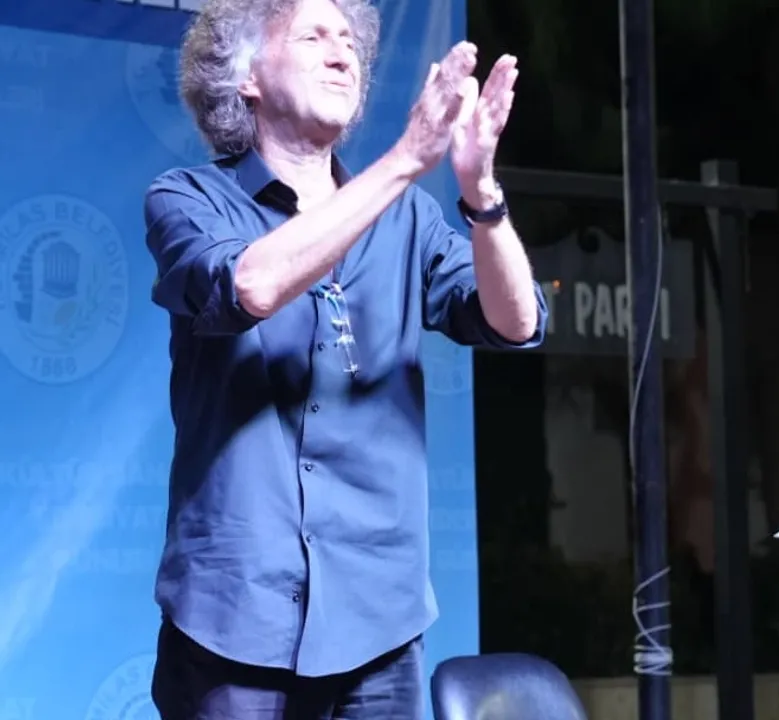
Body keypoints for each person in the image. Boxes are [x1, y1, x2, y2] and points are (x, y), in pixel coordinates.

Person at [143, 0, 546, 716]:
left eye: (349, 43)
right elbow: (250, 286)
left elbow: (516, 322)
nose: (341, 54)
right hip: (234, 615)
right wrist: (405, 160)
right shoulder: (188, 198)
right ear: (247, 77)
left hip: (378, 619)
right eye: (313, 36)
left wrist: (482, 196)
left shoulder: (411, 216)